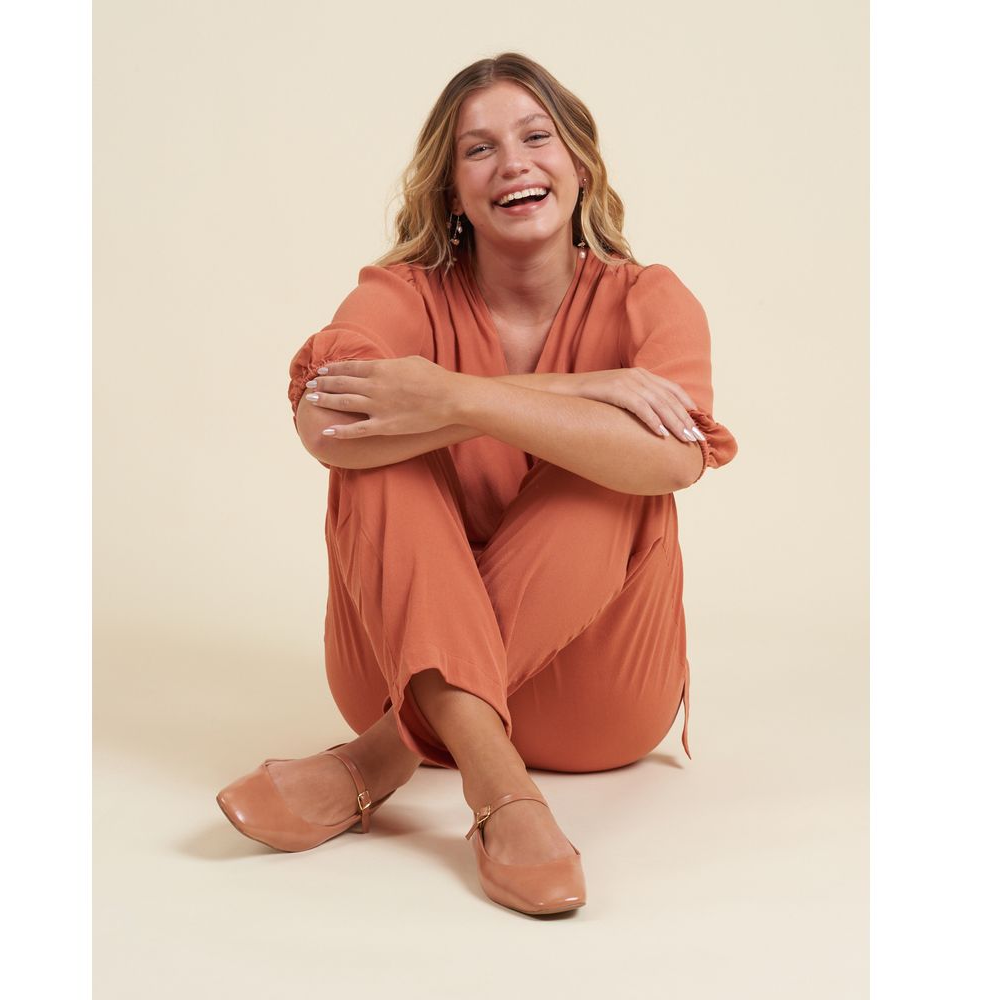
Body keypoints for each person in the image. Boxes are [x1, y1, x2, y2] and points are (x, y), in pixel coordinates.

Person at [216, 52, 738, 917]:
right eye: (479, 149)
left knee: (611, 474)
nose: (513, 163)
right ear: (452, 190)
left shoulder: (650, 298)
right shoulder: (402, 296)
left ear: (579, 163)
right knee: (375, 463)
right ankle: (501, 788)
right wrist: (576, 391)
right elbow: (325, 427)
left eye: (536, 137)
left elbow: (677, 456)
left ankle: (381, 755)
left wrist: (453, 399)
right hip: (395, 661)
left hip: (591, 695)